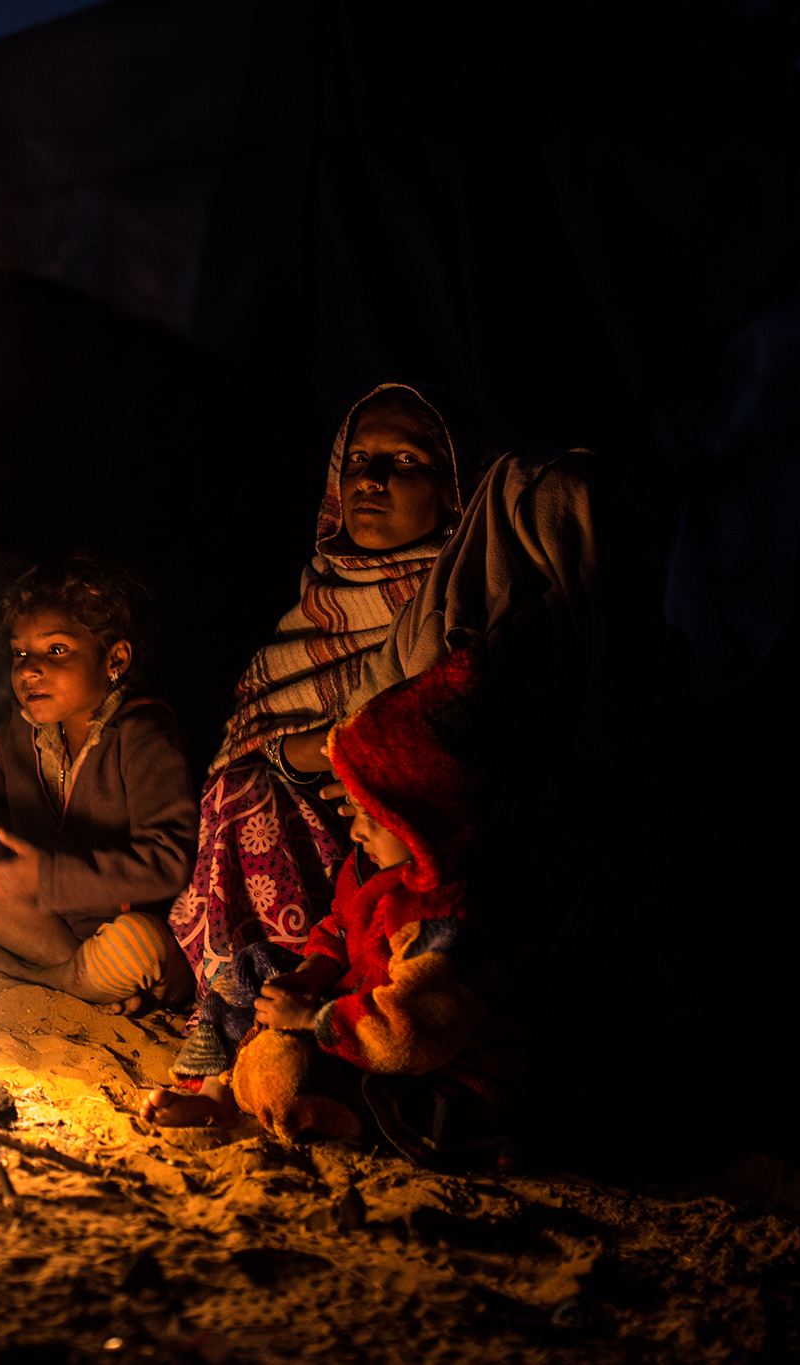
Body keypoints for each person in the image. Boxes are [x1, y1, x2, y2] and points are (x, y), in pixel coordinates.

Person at [160, 385, 494, 1091]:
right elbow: (272, 731)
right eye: (360, 459)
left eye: (405, 461)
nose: (371, 479)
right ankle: (241, 997)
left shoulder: (459, 604)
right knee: (240, 788)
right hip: (326, 833)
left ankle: (270, 1018)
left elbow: (429, 738)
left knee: (250, 793)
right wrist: (299, 751)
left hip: (404, 839)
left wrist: (320, 751)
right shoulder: (319, 599)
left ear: (453, 491)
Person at [142, 649, 518, 1159]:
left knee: (290, 1073)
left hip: (431, 1070)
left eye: (374, 818)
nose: (356, 830)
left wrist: (311, 1018)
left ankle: (286, 1099)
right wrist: (311, 975)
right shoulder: (369, 870)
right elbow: (338, 928)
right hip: (345, 1013)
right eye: (354, 810)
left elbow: (406, 1034)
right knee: (252, 966)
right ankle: (214, 1094)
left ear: (425, 824)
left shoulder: (449, 920)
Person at [0, 555, 196, 1011]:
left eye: (56, 650)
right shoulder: (16, 736)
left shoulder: (143, 735)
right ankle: (74, 980)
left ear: (115, 658)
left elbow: (170, 863)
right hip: (55, 931)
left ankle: (48, 979)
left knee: (137, 948)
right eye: (20, 653)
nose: (28, 670)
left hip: (129, 928)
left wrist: (49, 878)